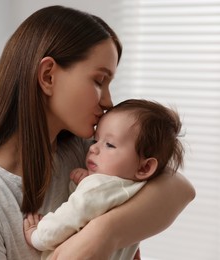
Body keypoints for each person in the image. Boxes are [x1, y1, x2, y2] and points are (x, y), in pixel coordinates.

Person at [0, 5, 195, 260]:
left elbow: (180, 188)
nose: (108, 102)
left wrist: (103, 234)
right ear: (48, 76)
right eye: (98, 81)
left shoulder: (88, 153)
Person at [23, 99, 185, 260]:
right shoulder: (142, 192)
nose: (93, 148)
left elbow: (70, 216)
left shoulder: (97, 187)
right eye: (95, 140)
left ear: (144, 168)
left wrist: (38, 236)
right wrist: (85, 181)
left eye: (109, 145)